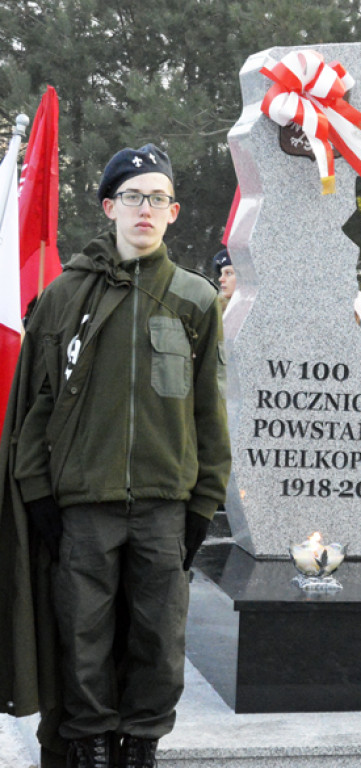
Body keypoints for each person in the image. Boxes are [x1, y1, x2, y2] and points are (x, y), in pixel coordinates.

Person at [1, 144, 231, 767]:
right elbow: (36, 409)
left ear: (175, 211)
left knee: (159, 637)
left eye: (158, 198)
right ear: (109, 207)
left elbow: (209, 413)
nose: (145, 209)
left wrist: (203, 502)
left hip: (164, 504)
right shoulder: (64, 297)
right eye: (133, 197)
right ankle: (93, 742)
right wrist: (41, 493)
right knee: (81, 635)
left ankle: (141, 744)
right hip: (84, 503)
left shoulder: (194, 299)